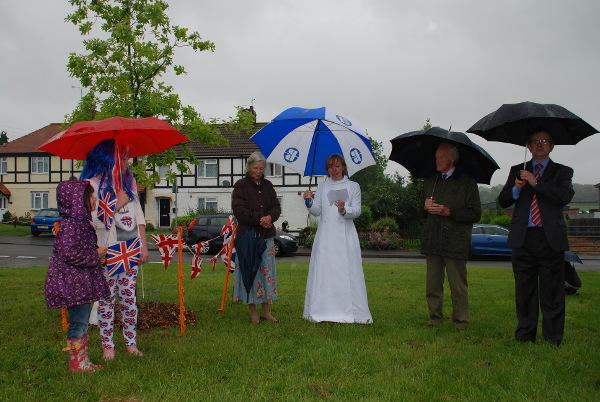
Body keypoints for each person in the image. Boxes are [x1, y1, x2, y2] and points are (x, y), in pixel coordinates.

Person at [498, 130, 574, 346]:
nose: (539, 145)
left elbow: (564, 196)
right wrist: (516, 188)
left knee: (552, 291)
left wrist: (536, 182)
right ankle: (524, 335)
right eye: (534, 142)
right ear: (528, 147)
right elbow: (503, 201)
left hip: (549, 239)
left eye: (544, 141)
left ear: (552, 146)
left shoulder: (563, 171)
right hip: (523, 239)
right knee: (524, 290)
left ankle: (552, 338)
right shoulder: (517, 170)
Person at [80, 139, 149, 359]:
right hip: (107, 251)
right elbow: (92, 220)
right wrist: (116, 204)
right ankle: (107, 346)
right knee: (107, 300)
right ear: (111, 159)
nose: (128, 161)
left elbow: (139, 217)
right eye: (124, 156)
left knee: (129, 300)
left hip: (130, 248)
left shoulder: (129, 183)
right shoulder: (91, 185)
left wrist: (143, 246)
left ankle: (131, 342)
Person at [44, 180, 110, 372]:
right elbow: (70, 254)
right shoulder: (72, 225)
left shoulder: (79, 223)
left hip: (78, 282)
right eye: (91, 195)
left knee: (81, 320)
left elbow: (78, 251)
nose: (94, 198)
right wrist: (96, 255)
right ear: (78, 200)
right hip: (72, 284)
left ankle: (82, 360)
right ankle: (77, 364)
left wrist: (97, 256)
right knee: (79, 322)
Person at [302, 154, 372, 324]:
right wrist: (309, 201)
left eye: (337, 166)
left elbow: (357, 211)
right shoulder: (323, 186)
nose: (334, 169)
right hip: (326, 236)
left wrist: (343, 208)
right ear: (327, 169)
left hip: (345, 236)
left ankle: (350, 311)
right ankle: (322, 309)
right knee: (325, 271)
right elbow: (317, 211)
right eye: (330, 166)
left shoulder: (353, 186)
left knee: (345, 270)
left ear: (343, 167)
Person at [420, 143, 481, 329]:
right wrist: (425, 207)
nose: (437, 161)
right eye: (436, 157)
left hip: (455, 242)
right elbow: (421, 214)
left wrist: (449, 211)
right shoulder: (430, 181)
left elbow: (475, 214)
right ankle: (434, 318)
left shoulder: (467, 182)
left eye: (441, 157)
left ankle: (461, 322)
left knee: (458, 287)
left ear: (452, 159)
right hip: (433, 240)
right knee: (432, 285)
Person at [231, 151, 281, 323]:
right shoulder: (240, 185)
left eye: (262, 168)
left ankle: (266, 311)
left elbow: (276, 207)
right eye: (256, 168)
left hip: (266, 236)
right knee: (250, 272)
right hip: (248, 237)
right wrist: (260, 218)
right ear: (249, 167)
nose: (259, 171)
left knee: (267, 274)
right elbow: (238, 210)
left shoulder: (268, 185)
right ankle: (253, 312)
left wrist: (270, 218)